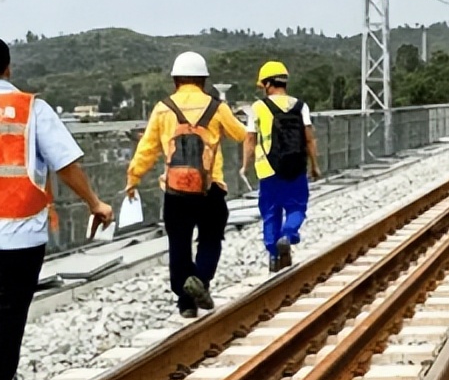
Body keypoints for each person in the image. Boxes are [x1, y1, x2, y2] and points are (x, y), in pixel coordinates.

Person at [0, 36, 114, 380]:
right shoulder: (32, 108)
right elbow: (66, 163)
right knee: (11, 313)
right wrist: (94, 202)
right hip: (21, 230)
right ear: (8, 68)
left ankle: (1, 375)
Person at [127, 52, 247, 318]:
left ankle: (185, 304)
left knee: (179, 244)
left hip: (175, 189)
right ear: (204, 80)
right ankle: (201, 280)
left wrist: (133, 178)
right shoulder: (217, 107)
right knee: (211, 238)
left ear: (175, 80)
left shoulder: (162, 108)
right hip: (210, 187)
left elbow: (147, 149)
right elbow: (241, 134)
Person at [242, 61, 320, 274]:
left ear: (267, 84)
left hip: (268, 170)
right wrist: (314, 165)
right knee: (296, 208)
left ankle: (274, 255)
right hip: (296, 167)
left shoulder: (257, 108)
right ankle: (288, 235)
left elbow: (250, 139)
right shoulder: (300, 106)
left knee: (270, 213)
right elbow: (310, 139)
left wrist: (245, 166)